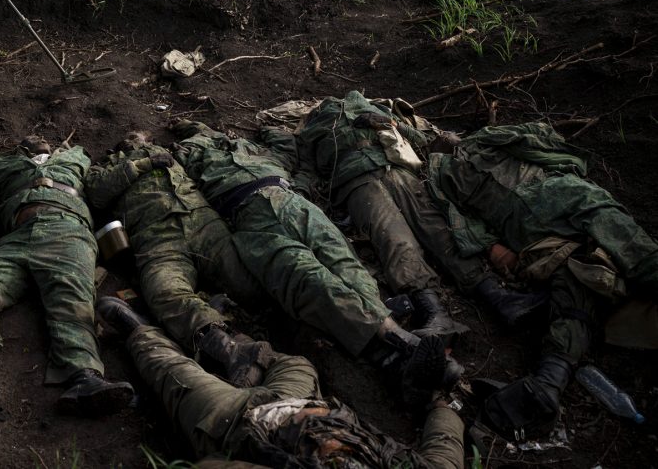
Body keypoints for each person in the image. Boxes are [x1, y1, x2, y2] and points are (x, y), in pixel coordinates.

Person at [170, 120, 453, 405]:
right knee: (312, 280)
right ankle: (401, 341)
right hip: (250, 217)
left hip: (294, 202)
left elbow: (286, 144)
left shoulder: (256, 148)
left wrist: (263, 132)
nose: (213, 135)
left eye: (214, 132)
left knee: (349, 269)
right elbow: (178, 178)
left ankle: (394, 361)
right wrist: (190, 134)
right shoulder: (194, 156)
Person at [424, 121, 658, 435]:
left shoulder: (487, 139)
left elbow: (538, 137)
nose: (443, 135)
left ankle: (550, 379)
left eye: (445, 133)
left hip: (561, 195)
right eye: (440, 138)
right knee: (576, 278)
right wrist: (494, 248)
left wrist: (495, 135)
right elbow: (458, 219)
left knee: (633, 248)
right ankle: (549, 380)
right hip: (526, 229)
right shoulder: (441, 174)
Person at [276, 91, 545, 333]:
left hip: (400, 170)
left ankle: (497, 297)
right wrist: (298, 190)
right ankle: (433, 311)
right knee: (394, 238)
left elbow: (423, 140)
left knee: (437, 228)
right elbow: (307, 167)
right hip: (357, 182)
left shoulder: (376, 109)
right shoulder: (314, 128)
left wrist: (391, 124)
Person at [95, 296, 464, 469]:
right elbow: (445, 450)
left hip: (236, 422)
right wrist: (439, 404)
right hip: (301, 399)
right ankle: (231, 353)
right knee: (295, 362)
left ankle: (138, 331)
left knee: (171, 370)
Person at [0, 136, 133, 418]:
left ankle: (85, 378)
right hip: (16, 237)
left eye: (44, 137)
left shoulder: (78, 158)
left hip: (67, 230)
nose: (40, 138)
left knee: (72, 298)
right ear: (22, 147)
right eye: (32, 137)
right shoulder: (1, 166)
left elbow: (102, 193)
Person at [84, 131, 273, 386]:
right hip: (157, 238)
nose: (135, 136)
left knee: (252, 283)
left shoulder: (175, 153)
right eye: (130, 136)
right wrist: (143, 164)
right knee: (163, 292)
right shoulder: (104, 167)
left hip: (205, 225)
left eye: (140, 135)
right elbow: (97, 193)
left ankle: (297, 338)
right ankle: (230, 349)